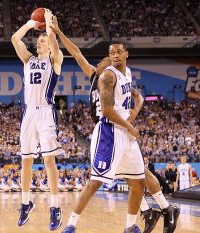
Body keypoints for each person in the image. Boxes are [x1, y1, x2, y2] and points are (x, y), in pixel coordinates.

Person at [50, 17, 179, 233]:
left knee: (138, 177)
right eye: (107, 56)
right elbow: (76, 53)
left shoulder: (121, 75)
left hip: (119, 130)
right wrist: (59, 32)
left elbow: (128, 104)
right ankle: (75, 224)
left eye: (110, 56)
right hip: (109, 129)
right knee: (123, 178)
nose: (103, 60)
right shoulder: (96, 76)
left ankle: (145, 217)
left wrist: (133, 116)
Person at [11, 8, 64, 230]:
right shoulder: (28, 60)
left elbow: (53, 41)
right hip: (29, 113)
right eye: (39, 41)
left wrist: (50, 24)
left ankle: (55, 207)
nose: (40, 42)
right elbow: (15, 38)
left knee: (49, 161)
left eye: (43, 40)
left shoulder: (55, 59)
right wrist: (31, 24)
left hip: (45, 112)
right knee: (26, 160)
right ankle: (25, 202)